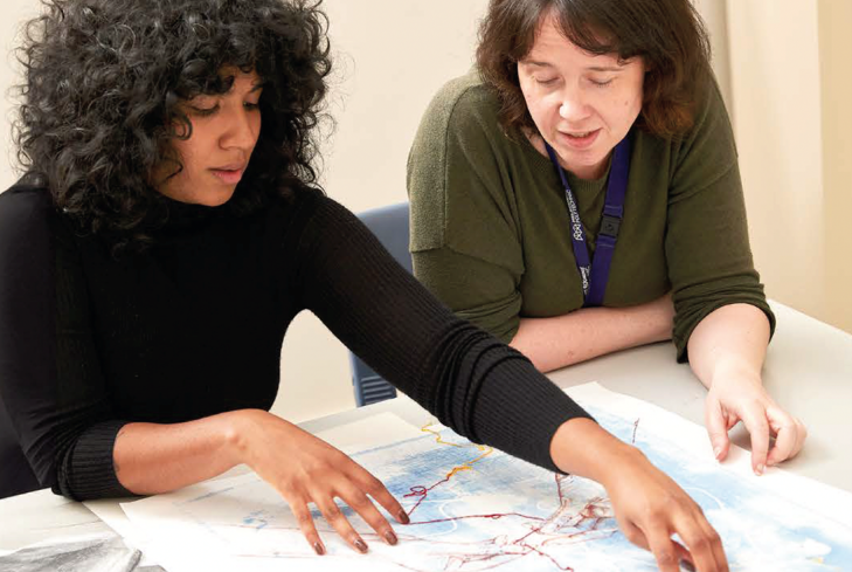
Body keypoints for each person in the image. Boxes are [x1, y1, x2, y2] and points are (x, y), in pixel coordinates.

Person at [0, 0, 727, 569]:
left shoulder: (278, 215)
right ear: (131, 112)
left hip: (207, 520)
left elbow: (449, 361)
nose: (240, 135)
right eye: (205, 107)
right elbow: (66, 454)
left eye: (252, 101)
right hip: (47, 530)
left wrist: (615, 463)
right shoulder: (33, 230)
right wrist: (243, 434)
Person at [407, 0, 806, 481]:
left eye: (601, 79)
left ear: (651, 68)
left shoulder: (682, 99)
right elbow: (469, 350)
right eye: (543, 77)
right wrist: (664, 314)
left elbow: (720, 291)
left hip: (655, 401)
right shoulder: (464, 125)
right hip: (512, 427)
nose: (571, 112)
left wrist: (735, 377)